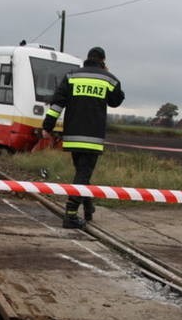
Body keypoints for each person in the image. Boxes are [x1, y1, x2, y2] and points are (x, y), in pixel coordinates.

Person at [42, 46, 125, 228]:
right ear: (103, 61)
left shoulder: (72, 76)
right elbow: (117, 100)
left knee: (82, 173)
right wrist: (107, 74)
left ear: (87, 58)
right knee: (83, 174)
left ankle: (88, 207)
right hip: (93, 138)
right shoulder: (108, 79)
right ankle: (70, 215)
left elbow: (57, 104)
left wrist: (47, 126)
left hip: (72, 135)